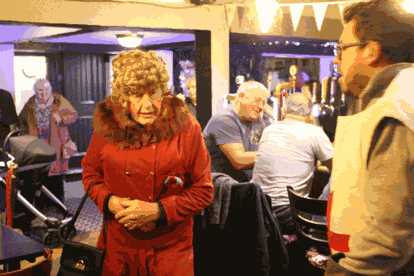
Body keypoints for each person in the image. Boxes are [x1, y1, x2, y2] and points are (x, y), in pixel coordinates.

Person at [82, 49, 213, 276]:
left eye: (153, 93)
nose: (147, 105)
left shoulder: (186, 127)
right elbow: (91, 174)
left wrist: (158, 211)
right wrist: (110, 201)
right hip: (119, 249)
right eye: (135, 95)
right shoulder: (107, 126)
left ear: (164, 90)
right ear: (123, 97)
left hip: (171, 251)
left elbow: (203, 191)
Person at [326, 0, 414, 274]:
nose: (336, 60)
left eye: (342, 48)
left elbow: (385, 242)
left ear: (371, 51)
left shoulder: (396, 107)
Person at [252, 93, 333, 234]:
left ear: (284, 110)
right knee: (339, 178)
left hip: (259, 208)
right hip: (289, 213)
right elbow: (337, 167)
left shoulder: (269, 130)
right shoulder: (314, 132)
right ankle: (318, 237)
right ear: (309, 113)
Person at [19, 79, 78, 200]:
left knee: (56, 173)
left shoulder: (58, 100)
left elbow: (73, 115)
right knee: (39, 173)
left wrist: (61, 118)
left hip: (56, 142)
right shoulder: (30, 103)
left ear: (50, 90)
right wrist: (25, 137)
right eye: (40, 90)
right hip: (37, 142)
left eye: (46, 90)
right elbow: (22, 121)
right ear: (35, 91)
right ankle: (43, 203)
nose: (43, 93)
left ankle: (58, 202)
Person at [203, 81, 272, 182]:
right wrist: (274, 154)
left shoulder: (258, 121)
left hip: (245, 184)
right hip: (223, 187)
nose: (261, 107)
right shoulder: (224, 120)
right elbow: (239, 160)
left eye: (263, 103)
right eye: (257, 101)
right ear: (241, 97)